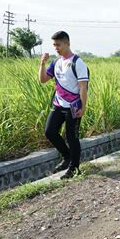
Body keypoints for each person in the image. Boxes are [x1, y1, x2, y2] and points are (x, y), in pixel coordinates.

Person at [39, 31, 89, 179]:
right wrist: (42, 63)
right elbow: (43, 80)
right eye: (54, 45)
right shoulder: (56, 62)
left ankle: (74, 167)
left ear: (67, 43)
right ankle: (67, 157)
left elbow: (83, 87)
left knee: (71, 137)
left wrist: (83, 107)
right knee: (50, 132)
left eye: (58, 44)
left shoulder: (77, 63)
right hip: (58, 105)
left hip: (73, 106)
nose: (56, 48)